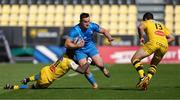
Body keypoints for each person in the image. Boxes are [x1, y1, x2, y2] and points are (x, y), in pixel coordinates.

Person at [65, 13, 114, 89]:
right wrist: (77, 46)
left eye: (88, 21)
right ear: (80, 21)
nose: (87, 23)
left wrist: (109, 37)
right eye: (85, 22)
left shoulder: (92, 26)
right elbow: (67, 44)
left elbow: (104, 30)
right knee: (85, 70)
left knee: (100, 64)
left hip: (90, 47)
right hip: (79, 50)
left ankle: (103, 68)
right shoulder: (75, 30)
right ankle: (95, 85)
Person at [131, 12, 175, 90]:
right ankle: (147, 80)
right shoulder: (161, 25)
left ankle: (142, 77)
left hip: (153, 42)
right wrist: (162, 42)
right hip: (164, 45)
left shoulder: (146, 22)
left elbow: (140, 27)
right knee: (154, 64)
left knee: (135, 59)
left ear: (145, 18)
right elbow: (172, 38)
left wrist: (141, 37)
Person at [4, 57, 92, 89]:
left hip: (45, 70)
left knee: (43, 75)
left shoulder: (63, 57)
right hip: (46, 80)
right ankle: (13, 87)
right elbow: (82, 71)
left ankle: (27, 79)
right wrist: (88, 61)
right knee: (32, 87)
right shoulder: (70, 62)